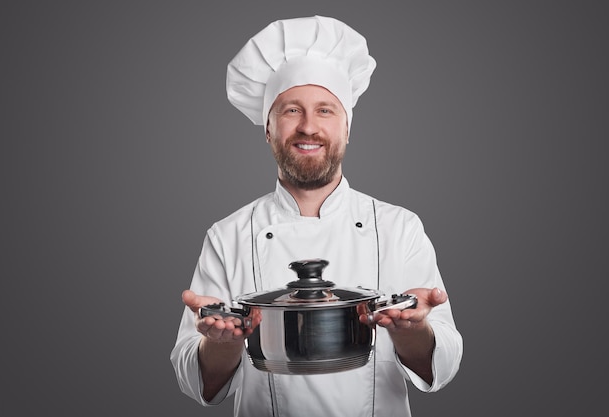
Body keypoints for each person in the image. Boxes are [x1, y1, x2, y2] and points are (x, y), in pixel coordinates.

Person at [170, 15, 463, 417]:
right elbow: (194, 381)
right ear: (268, 129)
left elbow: (444, 366)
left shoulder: (400, 228)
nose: (309, 127)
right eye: (291, 110)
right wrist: (221, 343)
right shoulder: (227, 236)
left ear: (347, 129)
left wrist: (412, 332)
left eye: (325, 110)